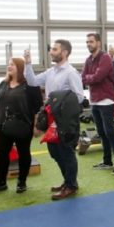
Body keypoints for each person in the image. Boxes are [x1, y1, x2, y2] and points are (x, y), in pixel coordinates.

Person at [25, 40, 85, 200]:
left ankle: (71, 186)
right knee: (55, 152)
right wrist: (28, 63)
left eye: (55, 49)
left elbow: (79, 97)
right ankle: (67, 181)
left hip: (65, 120)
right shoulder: (51, 72)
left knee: (67, 152)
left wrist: (59, 102)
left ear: (64, 53)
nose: (51, 51)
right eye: (51, 49)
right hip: (51, 120)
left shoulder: (71, 73)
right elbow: (32, 81)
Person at [0, 58, 42, 195]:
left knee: (24, 153)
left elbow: (37, 108)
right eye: (8, 64)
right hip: (4, 125)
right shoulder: (3, 84)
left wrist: (36, 126)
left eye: (12, 65)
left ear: (20, 67)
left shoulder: (30, 85)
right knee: (2, 155)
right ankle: (0, 182)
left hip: (24, 126)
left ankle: (22, 182)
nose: (9, 67)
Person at [82, 33, 114, 175]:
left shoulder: (105, 58)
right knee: (101, 132)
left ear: (98, 43)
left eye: (91, 41)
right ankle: (107, 161)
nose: (89, 44)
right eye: (87, 42)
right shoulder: (88, 60)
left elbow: (98, 77)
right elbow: (83, 78)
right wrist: (91, 77)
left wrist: (90, 78)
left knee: (109, 131)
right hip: (94, 100)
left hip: (106, 99)